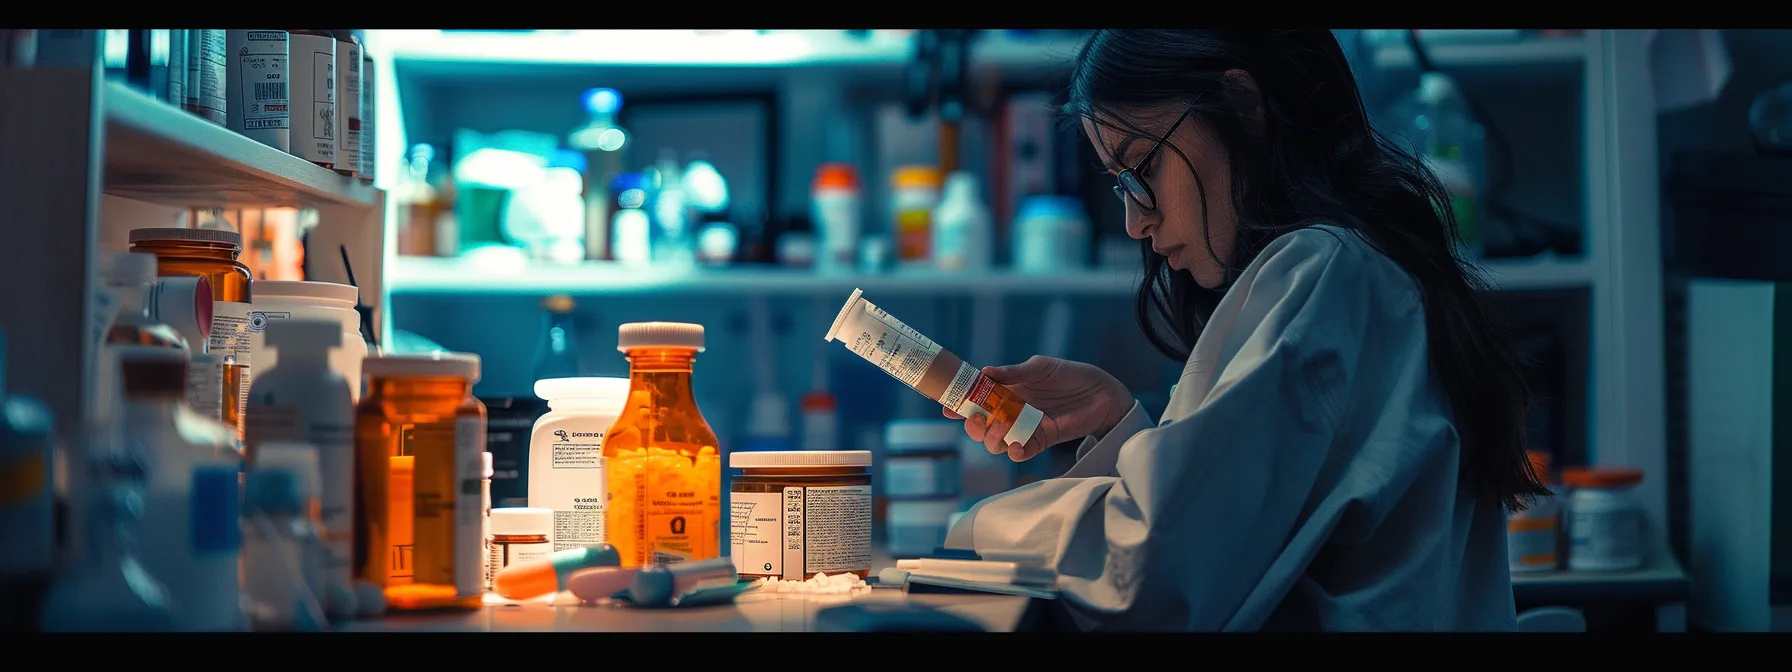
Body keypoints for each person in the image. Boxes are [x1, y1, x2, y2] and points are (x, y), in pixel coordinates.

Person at [939, 29, 1550, 631]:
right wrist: (1117, 422)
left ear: (1241, 104)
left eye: (1142, 167)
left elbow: (1152, 573)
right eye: (1120, 185)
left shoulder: (1322, 270)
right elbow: (1237, 525)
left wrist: (974, 526)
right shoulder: (1358, 270)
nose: (1133, 221)